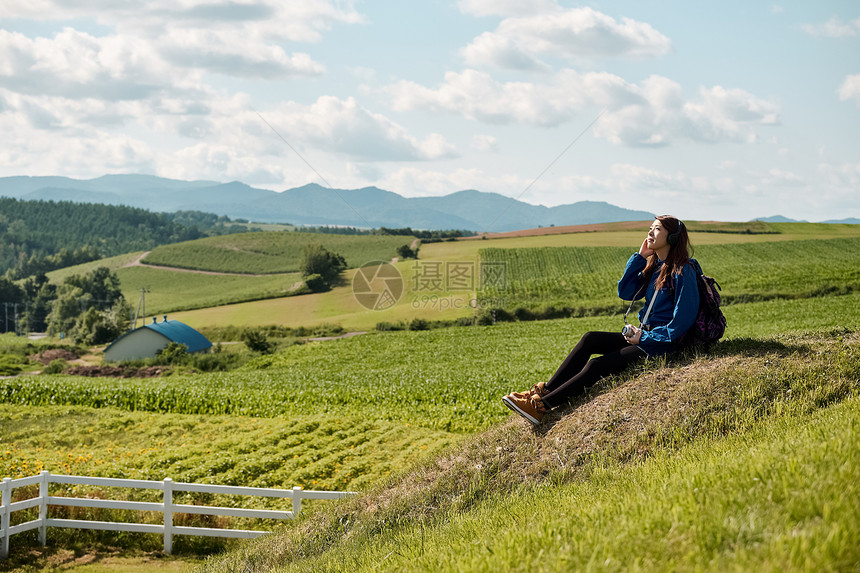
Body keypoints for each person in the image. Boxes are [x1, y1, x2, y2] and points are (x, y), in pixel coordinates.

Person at [502, 215, 700, 425]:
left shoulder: (682, 270)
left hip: (663, 344)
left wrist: (646, 337)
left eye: (657, 229)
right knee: (590, 339)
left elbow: (683, 320)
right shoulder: (657, 267)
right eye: (650, 228)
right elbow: (626, 291)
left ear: (673, 237)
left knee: (597, 365)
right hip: (645, 336)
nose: (650, 232)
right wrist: (640, 257)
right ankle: (543, 392)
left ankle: (542, 407)